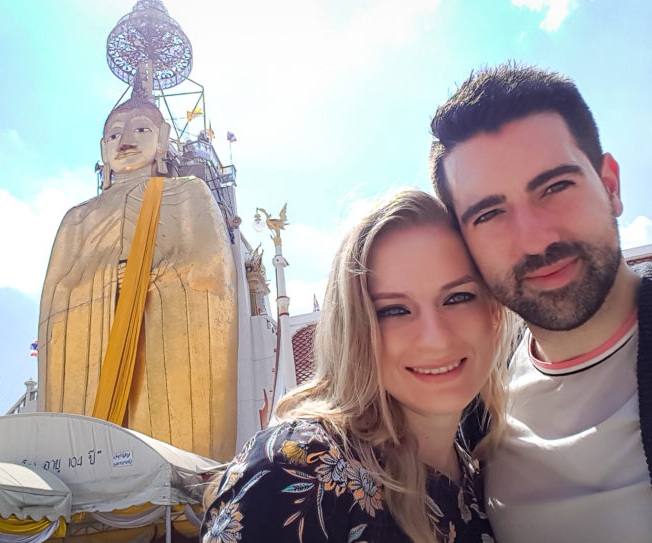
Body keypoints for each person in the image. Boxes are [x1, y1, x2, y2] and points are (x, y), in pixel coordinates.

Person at [201, 189, 518, 543]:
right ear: (354, 330)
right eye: (393, 310)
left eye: (457, 298)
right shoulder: (297, 470)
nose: (436, 338)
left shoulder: (483, 471)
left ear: (493, 311)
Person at [429, 63, 652, 542]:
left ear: (610, 186)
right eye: (489, 213)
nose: (533, 239)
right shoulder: (470, 404)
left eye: (555, 187)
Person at [38, 90, 239, 462]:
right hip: (95, 339)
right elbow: (57, 295)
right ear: (103, 149)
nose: (126, 140)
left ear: (162, 140)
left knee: (164, 436)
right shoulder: (78, 218)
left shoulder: (186, 193)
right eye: (114, 134)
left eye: (141, 128)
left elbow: (210, 269)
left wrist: (147, 279)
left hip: (163, 339)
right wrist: (106, 283)